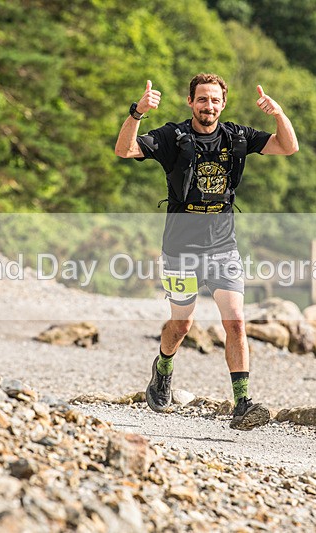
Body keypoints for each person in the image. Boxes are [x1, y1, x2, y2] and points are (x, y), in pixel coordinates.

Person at [115, 73, 298, 430]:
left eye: (214, 100)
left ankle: (242, 403)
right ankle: (163, 367)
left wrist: (278, 114)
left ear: (223, 103)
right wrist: (136, 113)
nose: (208, 106)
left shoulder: (237, 136)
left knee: (236, 322)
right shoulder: (174, 137)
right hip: (180, 250)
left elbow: (287, 146)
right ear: (190, 102)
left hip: (223, 248)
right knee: (182, 324)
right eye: (202, 99)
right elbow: (124, 150)